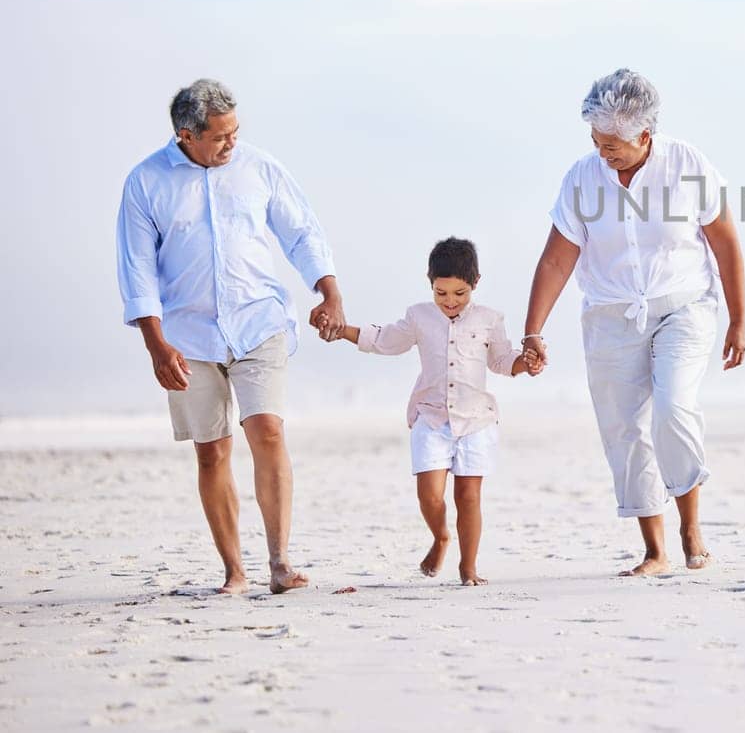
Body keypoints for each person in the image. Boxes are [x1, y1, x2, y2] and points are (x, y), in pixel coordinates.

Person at [116, 79, 344, 595]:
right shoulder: (146, 182)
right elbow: (136, 269)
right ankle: (234, 571)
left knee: (267, 431)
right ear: (185, 135)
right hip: (186, 336)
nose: (231, 144)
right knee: (212, 452)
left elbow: (301, 231)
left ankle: (281, 563)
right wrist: (155, 344)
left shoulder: (258, 167)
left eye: (236, 132)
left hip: (257, 321)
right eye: (220, 136)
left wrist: (328, 292)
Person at [520, 69, 745, 577]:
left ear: (645, 134)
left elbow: (725, 242)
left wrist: (738, 321)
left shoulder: (687, 164)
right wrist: (533, 329)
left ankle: (691, 524)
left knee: (674, 405)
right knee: (623, 429)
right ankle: (655, 550)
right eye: (597, 142)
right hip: (609, 314)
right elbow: (557, 259)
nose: (604, 153)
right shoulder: (582, 177)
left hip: (684, 305)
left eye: (614, 144)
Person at [326, 237, 539, 585]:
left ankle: (468, 568)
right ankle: (440, 536)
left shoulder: (489, 319)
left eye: (460, 293)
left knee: (468, 497)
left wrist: (524, 364)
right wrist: (342, 332)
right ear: (430, 283)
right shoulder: (418, 317)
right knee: (430, 494)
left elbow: (502, 361)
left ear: (475, 284)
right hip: (431, 417)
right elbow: (385, 340)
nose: (450, 302)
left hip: (476, 421)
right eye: (441, 293)